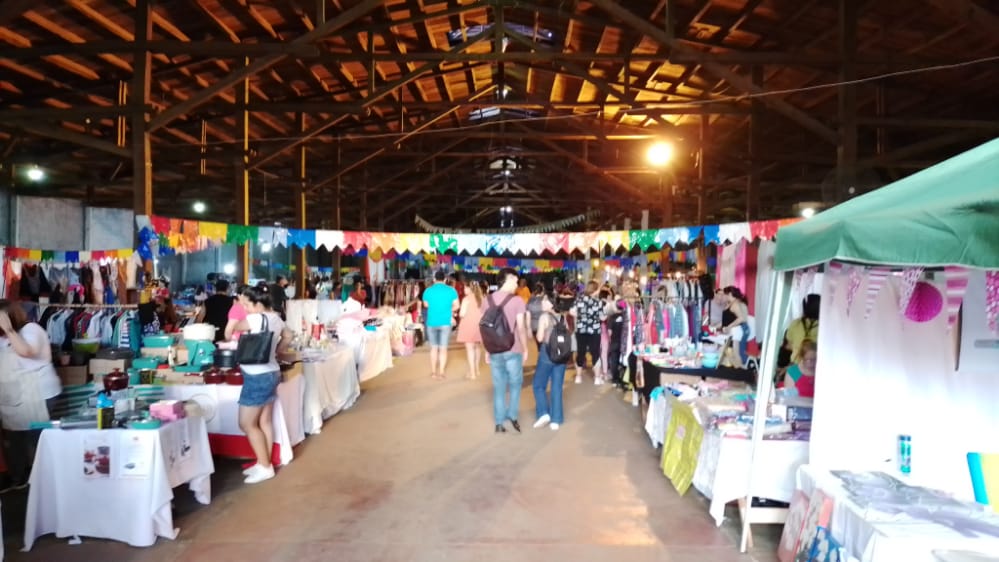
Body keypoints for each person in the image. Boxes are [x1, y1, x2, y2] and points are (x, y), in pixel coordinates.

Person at [230, 286, 292, 484]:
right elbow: (288, 336)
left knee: (246, 424)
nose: (246, 308)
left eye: (248, 304)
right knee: (264, 421)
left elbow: (230, 330)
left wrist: (234, 313)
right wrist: (277, 351)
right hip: (271, 372)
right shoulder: (276, 318)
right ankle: (264, 462)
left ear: (257, 304)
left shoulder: (255, 319)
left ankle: (265, 467)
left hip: (256, 375)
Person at [0, 300, 62, 490]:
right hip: (11, 395)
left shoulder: (31, 330)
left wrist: (9, 330)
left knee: (38, 438)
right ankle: (18, 480)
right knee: (14, 440)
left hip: (40, 393)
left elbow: (26, 352)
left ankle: (46, 481)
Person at [485, 268, 530, 434]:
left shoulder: (487, 299)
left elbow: (485, 327)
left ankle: (499, 421)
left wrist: (487, 350)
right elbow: (521, 328)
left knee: (499, 386)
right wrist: (525, 348)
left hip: (495, 348)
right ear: (508, 279)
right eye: (516, 281)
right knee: (516, 384)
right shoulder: (517, 301)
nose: (517, 284)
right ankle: (512, 415)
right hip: (513, 348)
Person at [533, 294, 568, 431]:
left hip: (547, 353)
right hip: (562, 354)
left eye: (545, 300)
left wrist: (539, 334)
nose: (542, 302)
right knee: (557, 386)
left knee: (538, 385)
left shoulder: (544, 317)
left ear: (552, 304)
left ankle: (543, 413)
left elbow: (540, 337)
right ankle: (556, 420)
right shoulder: (563, 317)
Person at [422, 270, 459, 379]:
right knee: (443, 349)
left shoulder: (428, 290)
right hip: (445, 322)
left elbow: (426, 304)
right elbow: (457, 306)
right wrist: (448, 310)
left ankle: (433, 372)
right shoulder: (451, 290)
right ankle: (441, 372)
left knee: (433, 348)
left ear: (434, 279)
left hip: (431, 322)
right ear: (445, 279)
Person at [570, 281, 605, 384]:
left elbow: (572, 312)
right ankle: (597, 378)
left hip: (581, 330)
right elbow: (603, 317)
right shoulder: (598, 302)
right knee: (595, 353)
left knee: (581, 352)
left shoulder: (579, 300)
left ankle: (578, 377)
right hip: (594, 330)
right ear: (595, 290)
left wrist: (581, 317)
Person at [781, 294, 820, 369]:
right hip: (813, 370)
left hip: (795, 367)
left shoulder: (795, 323)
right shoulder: (823, 328)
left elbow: (788, 346)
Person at [456, 281, 485, 380]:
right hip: (480, 326)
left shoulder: (466, 299)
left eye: (465, 288)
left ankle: (472, 373)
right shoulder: (482, 298)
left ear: (469, 289)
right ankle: (476, 369)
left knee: (470, 349)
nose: (464, 290)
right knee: (477, 347)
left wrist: (458, 314)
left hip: (468, 325)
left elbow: (462, 314)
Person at [721, 286, 750, 367]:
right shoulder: (736, 303)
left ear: (730, 294)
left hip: (737, 331)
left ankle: (740, 370)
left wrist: (729, 327)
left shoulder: (735, 304)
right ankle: (739, 369)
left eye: (725, 294)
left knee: (736, 353)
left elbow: (741, 318)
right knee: (734, 353)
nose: (724, 296)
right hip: (738, 330)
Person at [526, 282, 546, 348]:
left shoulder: (530, 301)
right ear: (542, 291)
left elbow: (528, 315)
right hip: (544, 325)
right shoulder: (544, 301)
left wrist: (528, 328)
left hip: (533, 326)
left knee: (538, 343)